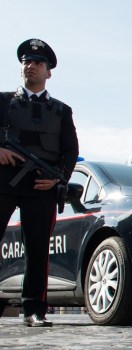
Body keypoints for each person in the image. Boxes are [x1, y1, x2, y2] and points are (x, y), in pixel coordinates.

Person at [0, 39, 79, 327]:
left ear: (49, 72)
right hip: (3, 181)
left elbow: (70, 151)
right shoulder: (3, 101)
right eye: (26, 62)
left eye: (37, 63)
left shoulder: (61, 111)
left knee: (37, 249)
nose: (30, 66)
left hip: (41, 185)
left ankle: (34, 310)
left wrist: (58, 177)